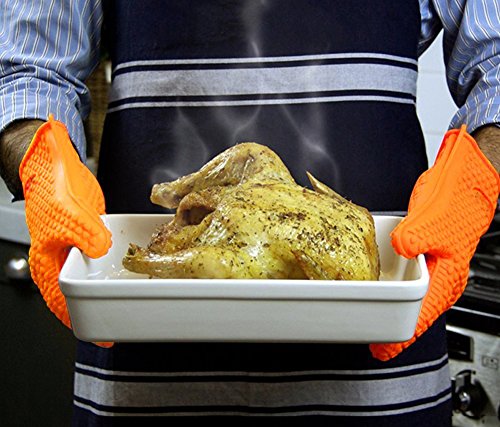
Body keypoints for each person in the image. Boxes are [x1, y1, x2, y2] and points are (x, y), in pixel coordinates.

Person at [0, 1, 499, 426]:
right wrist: (43, 165)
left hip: (386, 377)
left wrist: (475, 181)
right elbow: (24, 72)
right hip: (139, 374)